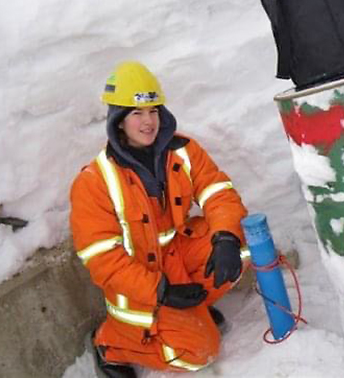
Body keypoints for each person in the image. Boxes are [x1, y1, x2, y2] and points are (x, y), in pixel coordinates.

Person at [70, 61, 250, 377]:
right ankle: (111, 344)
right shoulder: (93, 182)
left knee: (243, 243)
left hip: (177, 255)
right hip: (141, 278)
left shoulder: (183, 149)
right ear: (118, 121)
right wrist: (161, 291)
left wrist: (226, 238)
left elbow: (218, 192)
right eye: (137, 113)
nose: (148, 121)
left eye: (153, 111)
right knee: (198, 353)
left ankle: (194, 312)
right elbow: (103, 261)